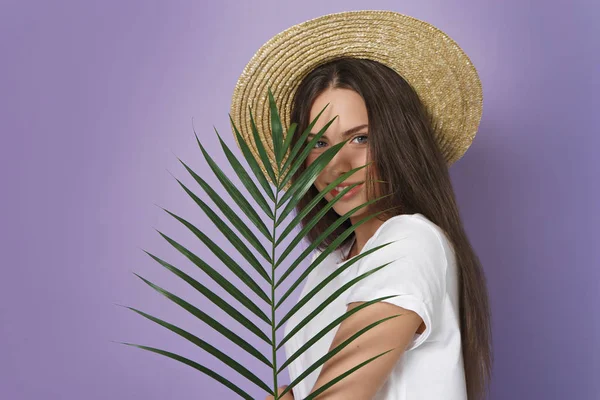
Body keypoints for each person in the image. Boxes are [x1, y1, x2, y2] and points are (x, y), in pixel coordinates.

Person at [230, 10, 493, 400]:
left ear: (399, 143)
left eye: (360, 139)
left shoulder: (409, 241)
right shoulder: (329, 264)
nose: (335, 166)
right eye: (318, 144)